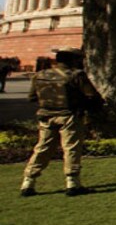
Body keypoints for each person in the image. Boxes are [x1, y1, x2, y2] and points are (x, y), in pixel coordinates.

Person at [20, 47, 103, 197]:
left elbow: (32, 97)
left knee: (42, 148)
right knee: (71, 148)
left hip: (46, 116)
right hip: (69, 116)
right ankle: (72, 182)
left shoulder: (40, 75)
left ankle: (28, 182)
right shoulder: (76, 75)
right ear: (73, 60)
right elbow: (92, 96)